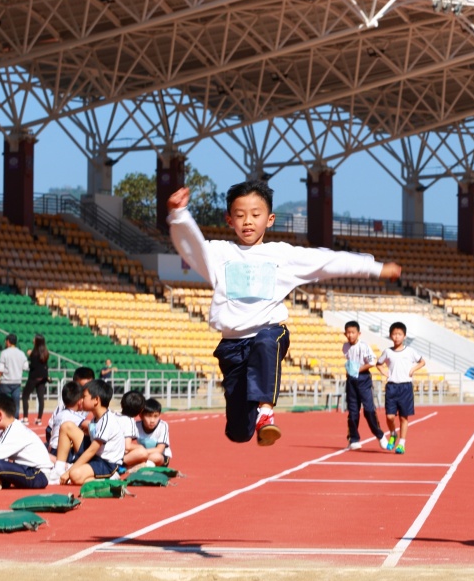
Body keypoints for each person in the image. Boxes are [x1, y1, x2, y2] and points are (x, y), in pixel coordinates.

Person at [167, 180, 402, 446]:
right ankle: (252, 422)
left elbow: (328, 261)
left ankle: (266, 413)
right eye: (240, 215)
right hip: (232, 346)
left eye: (255, 215)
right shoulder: (219, 254)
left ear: (269, 219)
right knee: (239, 433)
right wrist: (178, 214)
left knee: (267, 340)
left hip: (269, 333)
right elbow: (190, 245)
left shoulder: (281, 255)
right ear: (229, 220)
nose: (247, 221)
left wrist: (376, 268)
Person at [54, 379, 124, 485]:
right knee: (66, 426)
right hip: (96, 456)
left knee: (75, 475)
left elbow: (92, 450)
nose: (80, 400)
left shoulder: (107, 420)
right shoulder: (95, 418)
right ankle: (58, 470)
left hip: (107, 463)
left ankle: (110, 478)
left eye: (84, 397)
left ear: (96, 400)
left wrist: (69, 472)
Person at [376, 321, 425, 455]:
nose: (397, 337)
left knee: (403, 417)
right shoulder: (387, 352)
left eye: (399, 334)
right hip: (392, 387)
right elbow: (379, 364)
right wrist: (384, 372)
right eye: (394, 334)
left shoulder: (410, 351)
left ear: (404, 336)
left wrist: (413, 369)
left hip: (405, 387)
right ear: (390, 336)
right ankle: (393, 433)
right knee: (390, 416)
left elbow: (422, 361)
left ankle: (402, 444)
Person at [342, 320, 388, 452]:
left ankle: (380, 435)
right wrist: (350, 371)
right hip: (351, 380)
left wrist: (358, 370)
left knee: (368, 410)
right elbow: (349, 361)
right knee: (353, 412)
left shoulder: (364, 346)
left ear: (359, 333)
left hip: (363, 379)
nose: (350, 335)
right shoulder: (345, 347)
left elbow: (372, 362)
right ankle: (353, 439)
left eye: (353, 332)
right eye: (348, 333)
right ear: (345, 334)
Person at [45, 366, 95, 448]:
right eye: (81, 387)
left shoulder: (90, 398)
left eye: (88, 387)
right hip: (54, 432)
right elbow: (89, 425)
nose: (84, 391)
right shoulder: (70, 403)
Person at [47, 380, 87, 458]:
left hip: (52, 449)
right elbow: (89, 425)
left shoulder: (59, 415)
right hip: (64, 452)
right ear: (80, 402)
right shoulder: (76, 417)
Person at [0, 333, 28, 418]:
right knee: (15, 403)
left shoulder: (4, 353)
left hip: (5, 381)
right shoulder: (21, 353)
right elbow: (26, 366)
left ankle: (3, 418)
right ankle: (15, 419)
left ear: (8, 341)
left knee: (3, 402)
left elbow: (0, 369)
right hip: (16, 381)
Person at [134, 397, 172, 467]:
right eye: (149, 416)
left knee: (156, 457)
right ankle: (143, 465)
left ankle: (140, 465)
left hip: (161, 457)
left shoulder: (163, 426)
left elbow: (159, 449)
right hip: (143, 456)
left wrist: (140, 453)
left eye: (155, 416)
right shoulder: (136, 426)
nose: (152, 420)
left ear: (159, 415)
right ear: (141, 416)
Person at [22, 334, 49, 426]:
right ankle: (39, 419)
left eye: (34, 338)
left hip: (34, 377)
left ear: (37, 341)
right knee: (41, 398)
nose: (33, 339)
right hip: (43, 377)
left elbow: (33, 365)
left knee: (25, 396)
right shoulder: (45, 352)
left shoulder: (34, 353)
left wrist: (30, 356)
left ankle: (25, 418)